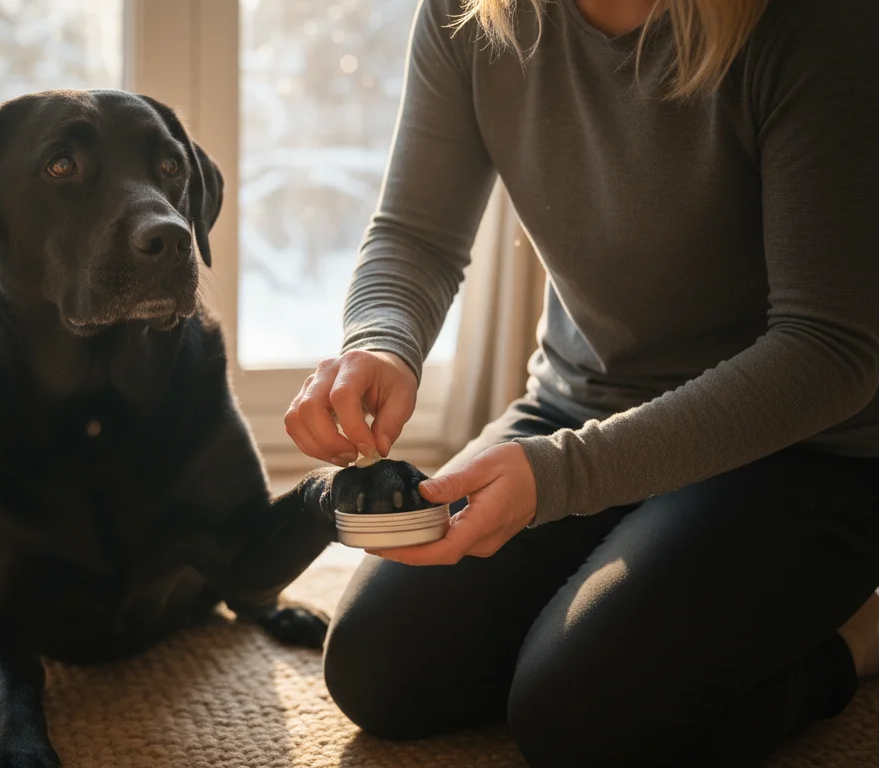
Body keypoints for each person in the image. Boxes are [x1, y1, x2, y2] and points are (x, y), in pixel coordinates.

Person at [284, 0, 879, 765]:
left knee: (578, 723)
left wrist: (563, 477)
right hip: (579, 407)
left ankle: (849, 642)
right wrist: (380, 344)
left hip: (801, 450)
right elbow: (415, 236)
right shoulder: (469, 14)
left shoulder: (818, 22)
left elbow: (827, 352)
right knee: (379, 670)